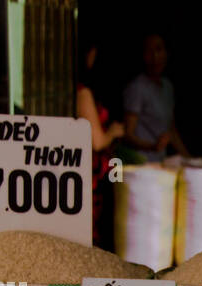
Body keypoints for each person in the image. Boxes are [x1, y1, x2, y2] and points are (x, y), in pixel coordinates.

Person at [76, 39, 124, 249]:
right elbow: (96, 142)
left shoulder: (89, 91)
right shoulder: (83, 93)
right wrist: (113, 132)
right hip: (93, 174)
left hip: (102, 170)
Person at [122, 34, 191, 163]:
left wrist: (189, 160)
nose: (155, 57)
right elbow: (128, 134)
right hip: (140, 162)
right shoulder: (137, 88)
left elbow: (171, 131)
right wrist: (153, 146)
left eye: (159, 50)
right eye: (149, 52)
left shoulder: (167, 87)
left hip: (160, 162)